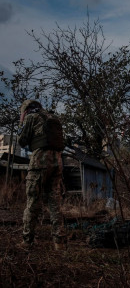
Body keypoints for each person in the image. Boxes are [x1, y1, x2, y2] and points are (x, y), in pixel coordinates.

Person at [17, 100, 66, 251]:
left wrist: (21, 123)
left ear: (26, 109)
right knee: (55, 203)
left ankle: (27, 241)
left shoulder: (31, 118)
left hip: (40, 161)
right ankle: (59, 243)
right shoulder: (53, 118)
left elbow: (21, 141)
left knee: (32, 201)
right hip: (57, 160)